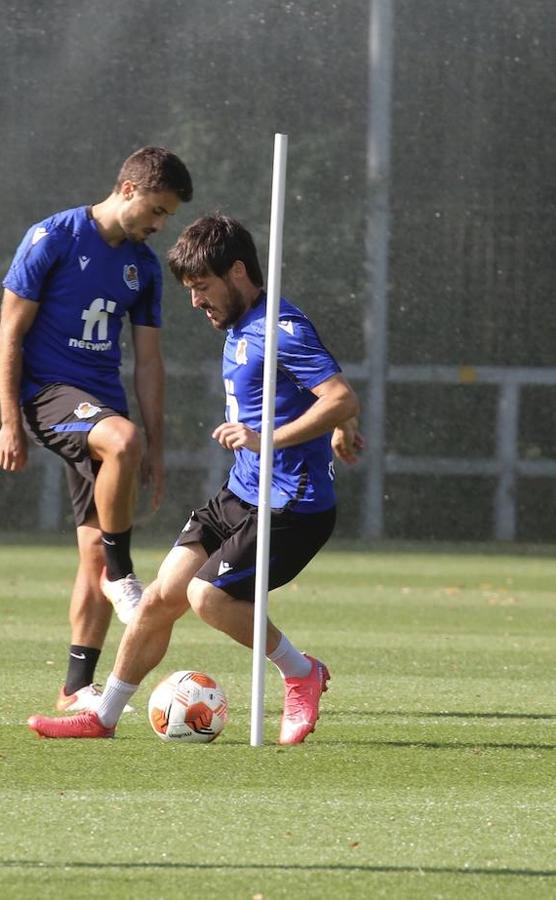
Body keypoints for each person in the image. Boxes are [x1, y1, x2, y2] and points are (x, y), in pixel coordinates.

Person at [27, 213, 363, 745]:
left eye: (202, 287)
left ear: (236, 272)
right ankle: (103, 715)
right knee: (162, 597)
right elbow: (329, 398)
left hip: (291, 506)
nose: (195, 301)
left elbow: (340, 393)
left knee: (208, 597)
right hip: (240, 493)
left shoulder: (279, 327)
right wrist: (343, 430)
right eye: (188, 289)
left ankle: (302, 673)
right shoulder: (239, 326)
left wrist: (275, 437)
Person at [0, 147, 193, 714]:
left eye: (167, 216)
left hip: (101, 407)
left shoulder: (145, 267)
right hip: (48, 396)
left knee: (90, 549)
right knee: (120, 442)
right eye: (156, 209)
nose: (159, 224)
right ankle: (124, 571)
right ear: (127, 188)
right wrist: (10, 421)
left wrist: (157, 443)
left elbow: (149, 361)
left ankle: (77, 686)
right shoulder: (52, 237)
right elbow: (10, 333)